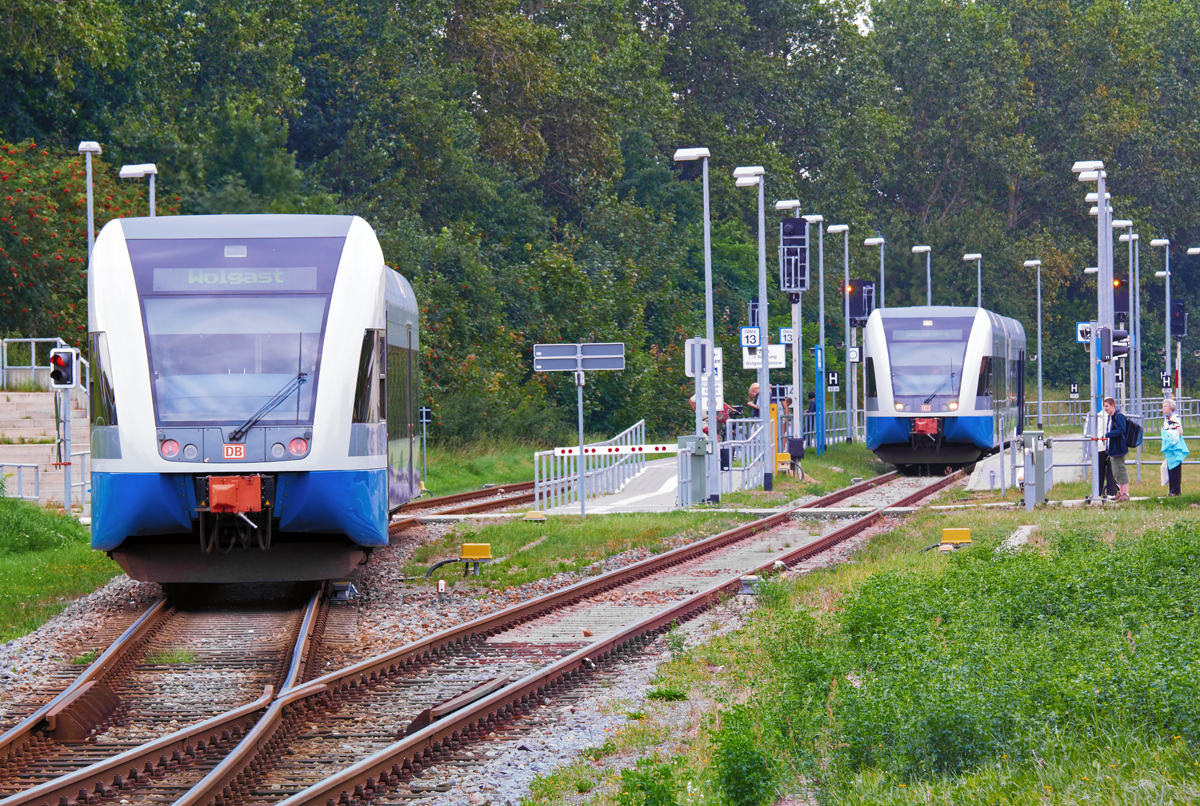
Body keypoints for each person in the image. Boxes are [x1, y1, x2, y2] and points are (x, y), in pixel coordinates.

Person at [1101, 397, 1129, 502]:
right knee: (1116, 471)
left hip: (1119, 448)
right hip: (1113, 449)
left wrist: (1108, 434)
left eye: (1107, 406)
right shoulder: (1112, 417)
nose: (1105, 408)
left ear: (1113, 405)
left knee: (1121, 470)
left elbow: (1121, 429)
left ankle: (1125, 493)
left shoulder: (1118, 416)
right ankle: (1121, 492)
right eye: (1104, 406)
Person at [1162, 398, 1187, 496]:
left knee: (1175, 468)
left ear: (1171, 408)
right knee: (1170, 468)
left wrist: (1169, 431)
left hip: (1175, 447)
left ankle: (1176, 491)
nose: (1163, 408)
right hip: (1169, 447)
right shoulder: (1166, 418)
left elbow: (1180, 431)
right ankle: (1171, 490)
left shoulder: (1174, 418)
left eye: (1165, 406)